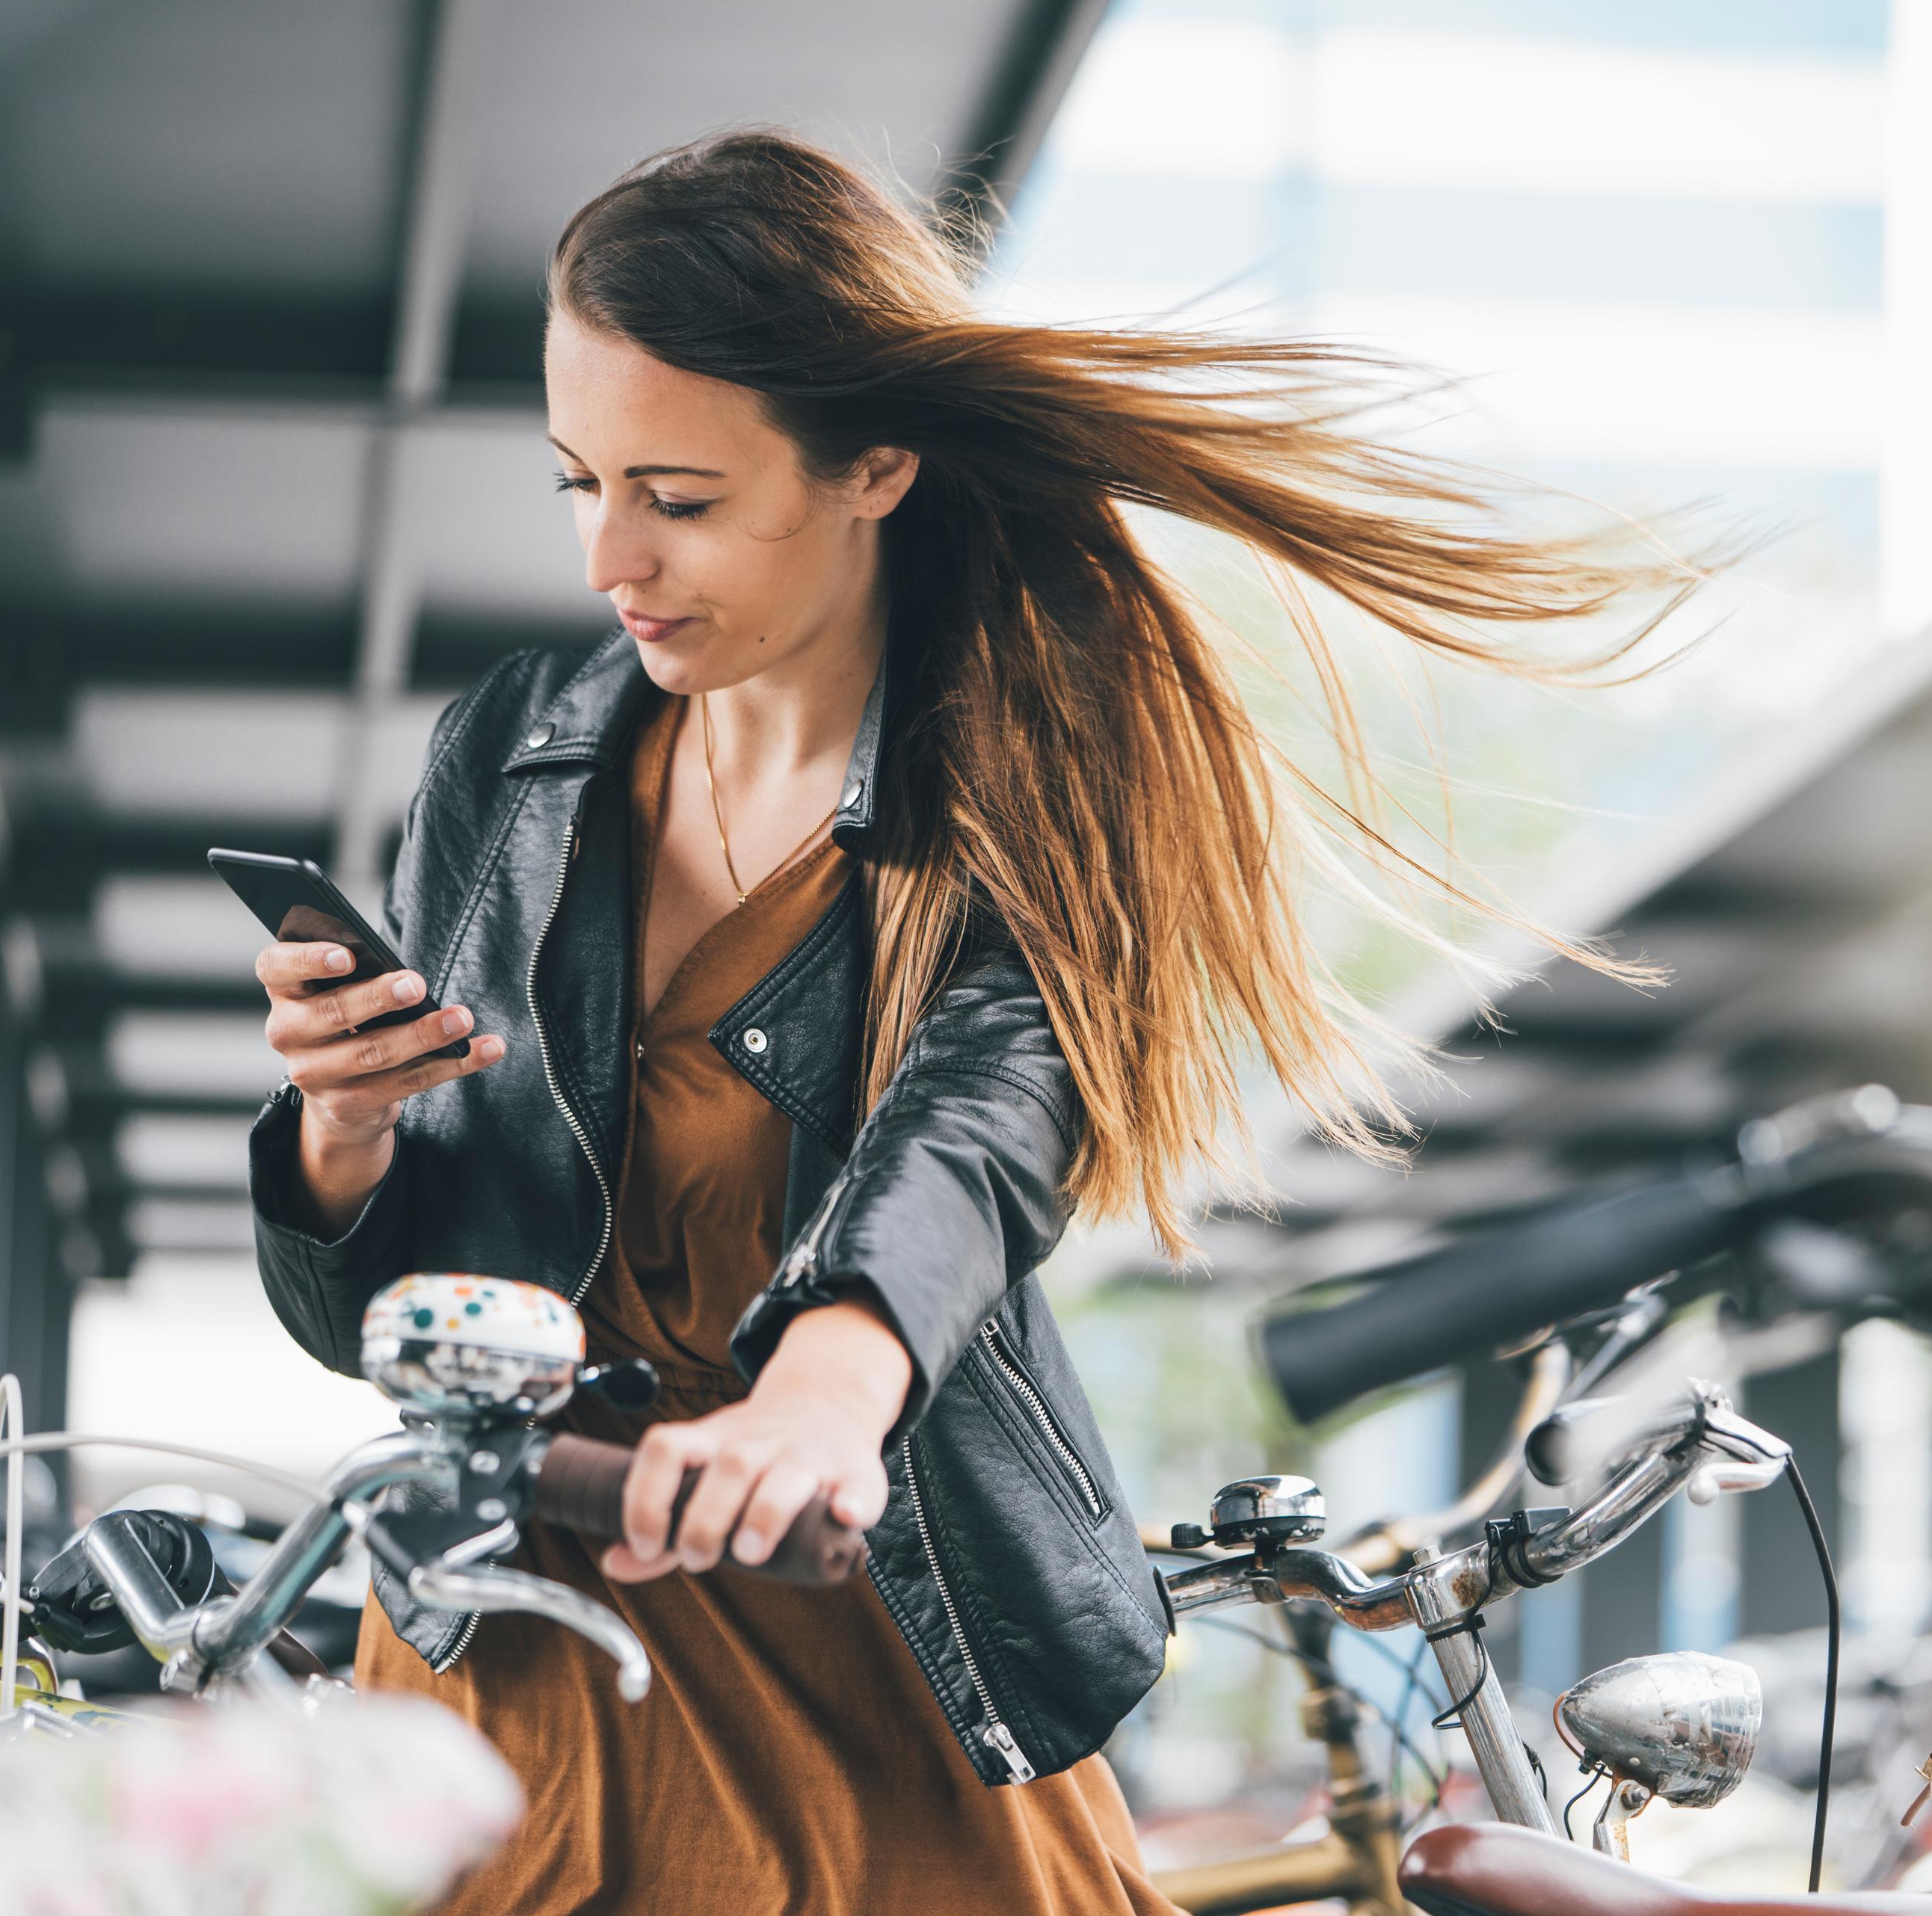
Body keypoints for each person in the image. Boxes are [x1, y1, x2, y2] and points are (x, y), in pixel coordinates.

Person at [244, 130, 1690, 1912]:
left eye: (678, 497)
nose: (611, 553)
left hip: (872, 1639)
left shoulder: (1032, 776)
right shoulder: (511, 753)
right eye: (576, 481)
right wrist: (344, 1129)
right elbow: (372, 1318)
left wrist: (826, 1395)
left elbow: (988, 1129)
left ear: (877, 466)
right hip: (501, 1667)